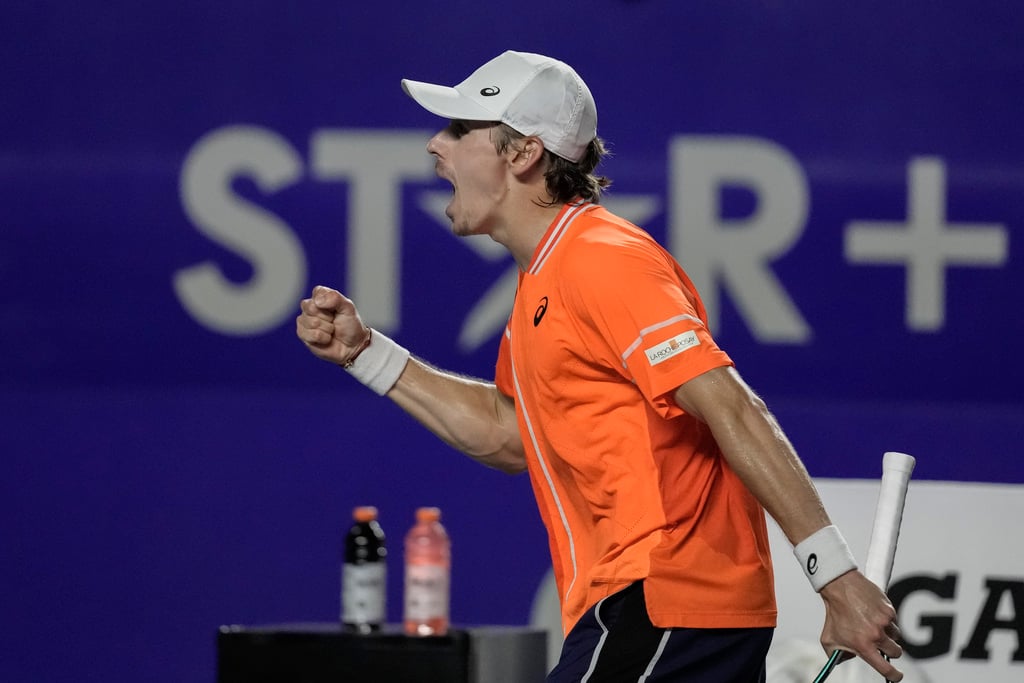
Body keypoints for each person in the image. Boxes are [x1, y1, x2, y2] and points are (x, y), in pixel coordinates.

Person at [296, 50, 903, 682]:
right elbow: (512, 433)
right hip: (650, 607)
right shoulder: (547, 278)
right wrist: (365, 354)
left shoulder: (602, 259)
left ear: (522, 153)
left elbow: (733, 408)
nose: (435, 145)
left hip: (670, 598)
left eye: (459, 130)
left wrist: (835, 578)